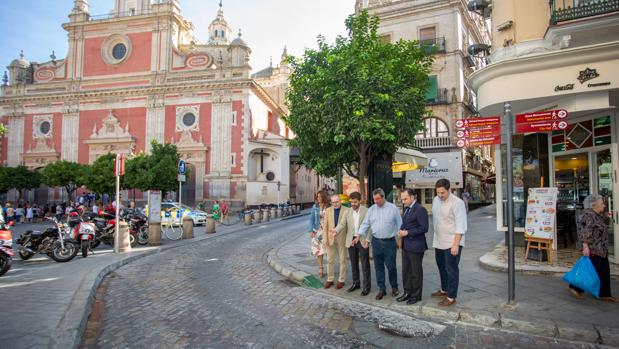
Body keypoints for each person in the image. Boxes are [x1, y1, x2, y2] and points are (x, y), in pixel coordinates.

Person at [354, 188, 402, 300]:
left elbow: (400, 224)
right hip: (376, 242)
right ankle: (382, 289)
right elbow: (365, 224)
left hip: (389, 242)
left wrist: (400, 240)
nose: (375, 201)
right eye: (374, 199)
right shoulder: (371, 210)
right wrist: (358, 235)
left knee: (391, 267)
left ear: (383, 197)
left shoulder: (393, 208)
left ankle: (394, 287)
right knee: (378, 267)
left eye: (378, 199)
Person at [569, 194, 615, 302]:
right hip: (594, 248)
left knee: (604, 271)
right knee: (590, 270)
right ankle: (575, 286)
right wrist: (585, 247)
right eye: (602, 204)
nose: (604, 206)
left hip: (601, 248)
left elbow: (598, 226)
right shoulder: (588, 215)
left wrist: (606, 216)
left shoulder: (595, 214)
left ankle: (604, 293)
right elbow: (585, 232)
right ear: (594, 205)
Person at [431, 179, 467, 307]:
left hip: (452, 241)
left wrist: (456, 244)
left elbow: (461, 225)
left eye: (443, 193)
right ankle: (444, 289)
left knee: (451, 269)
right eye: (438, 192)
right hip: (439, 240)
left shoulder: (458, 203)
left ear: (449, 189)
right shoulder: (436, 200)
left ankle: (451, 296)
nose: (440, 195)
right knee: (441, 266)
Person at [397, 188, 429, 305]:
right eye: (402, 199)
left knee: (415, 272)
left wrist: (407, 233)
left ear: (412, 197)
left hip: (416, 246)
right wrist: (400, 231)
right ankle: (407, 292)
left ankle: (416, 295)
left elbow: (424, 228)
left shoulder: (420, 209)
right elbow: (405, 224)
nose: (403, 201)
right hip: (406, 245)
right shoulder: (406, 208)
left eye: (405, 199)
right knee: (406, 270)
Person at [345, 191, 372, 296]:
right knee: (353, 263)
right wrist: (336, 230)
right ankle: (356, 283)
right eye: (351, 202)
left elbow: (370, 227)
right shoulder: (348, 211)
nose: (353, 204)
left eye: (355, 202)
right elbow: (342, 223)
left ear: (359, 201)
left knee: (365, 264)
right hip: (351, 240)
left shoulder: (367, 211)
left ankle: (366, 287)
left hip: (363, 240)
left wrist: (368, 240)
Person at [322, 194, 350, 289]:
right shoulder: (328, 211)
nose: (335, 204)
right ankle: (330, 279)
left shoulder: (346, 210)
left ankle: (341, 280)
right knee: (329, 260)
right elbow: (325, 226)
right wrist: (325, 239)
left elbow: (347, 225)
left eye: (337, 201)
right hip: (330, 238)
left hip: (342, 238)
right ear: (331, 202)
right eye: (333, 202)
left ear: (340, 201)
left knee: (342, 260)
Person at [309, 191, 328, 278]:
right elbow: (311, 219)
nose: (318, 198)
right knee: (318, 251)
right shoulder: (315, 206)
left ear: (323, 197)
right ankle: (320, 268)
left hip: (326, 231)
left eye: (320, 196)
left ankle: (329, 269)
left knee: (327, 250)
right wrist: (311, 230)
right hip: (317, 231)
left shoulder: (328, 206)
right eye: (317, 196)